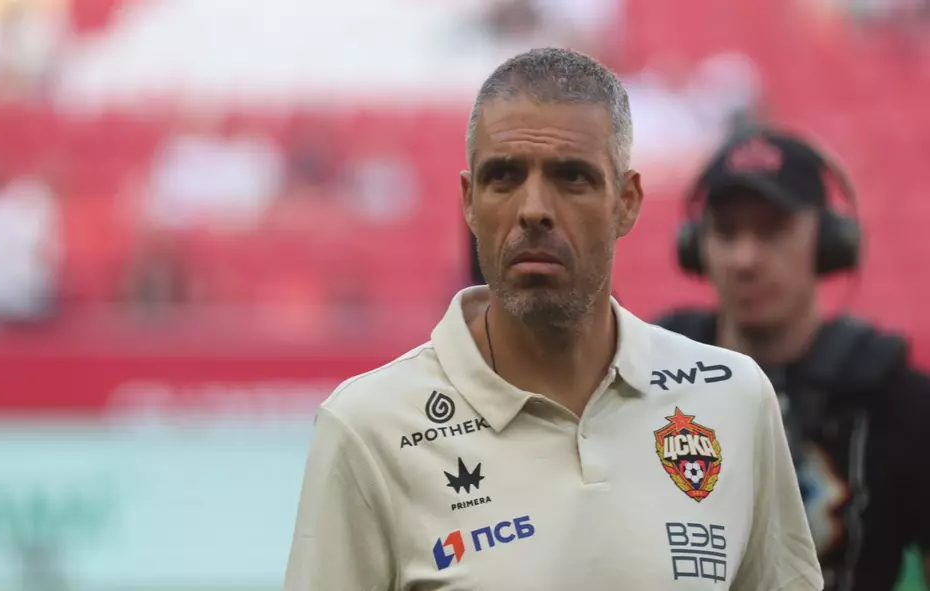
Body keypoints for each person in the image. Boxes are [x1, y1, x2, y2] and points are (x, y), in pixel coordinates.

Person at [285, 48, 822, 590]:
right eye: (504, 176)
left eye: (571, 177)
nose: (534, 209)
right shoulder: (368, 428)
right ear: (469, 202)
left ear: (627, 202)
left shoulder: (734, 398)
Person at [656, 126, 930, 591]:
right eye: (726, 232)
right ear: (695, 247)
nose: (745, 258)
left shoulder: (901, 403)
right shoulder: (648, 375)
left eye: (773, 230)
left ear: (828, 242)